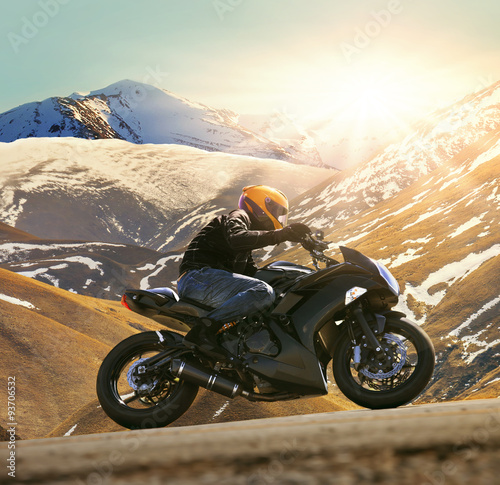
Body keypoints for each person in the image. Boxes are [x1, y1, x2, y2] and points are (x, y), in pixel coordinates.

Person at [177, 185, 311, 357]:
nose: (279, 217)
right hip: (198, 278)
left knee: (268, 296)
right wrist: (281, 234)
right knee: (263, 292)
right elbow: (236, 239)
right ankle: (203, 332)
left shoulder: (243, 244)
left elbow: (251, 273)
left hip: (207, 282)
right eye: (277, 211)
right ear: (262, 204)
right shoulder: (239, 216)